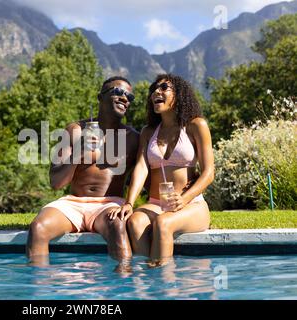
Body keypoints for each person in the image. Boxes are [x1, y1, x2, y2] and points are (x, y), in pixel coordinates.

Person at [26, 76, 139, 265]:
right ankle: (39, 287)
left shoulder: (133, 138)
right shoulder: (75, 130)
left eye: (129, 96)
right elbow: (56, 182)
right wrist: (78, 153)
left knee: (118, 226)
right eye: (118, 92)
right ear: (100, 97)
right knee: (38, 227)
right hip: (73, 204)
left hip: (108, 204)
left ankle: (124, 288)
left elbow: (148, 172)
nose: (124, 98)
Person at [108, 74, 214, 267]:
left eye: (164, 87)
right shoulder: (149, 132)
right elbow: (141, 168)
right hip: (156, 203)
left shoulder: (196, 125)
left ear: (179, 95)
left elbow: (209, 173)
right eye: (154, 89)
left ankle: (165, 285)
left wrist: (184, 199)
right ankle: (147, 282)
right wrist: (129, 203)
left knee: (163, 223)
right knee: (134, 222)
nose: (157, 91)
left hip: (192, 204)